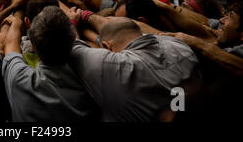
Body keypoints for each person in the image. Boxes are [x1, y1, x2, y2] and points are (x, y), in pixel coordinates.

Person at [67, 12, 199, 122]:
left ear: (107, 47)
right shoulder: (180, 47)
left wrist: (72, 21)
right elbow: (127, 30)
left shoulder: (111, 66)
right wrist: (86, 15)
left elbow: (71, 46)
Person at [2, 6, 100, 121]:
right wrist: (72, 21)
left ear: (32, 45)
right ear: (72, 40)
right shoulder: (93, 72)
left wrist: (17, 22)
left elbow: (10, 44)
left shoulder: (20, 78)